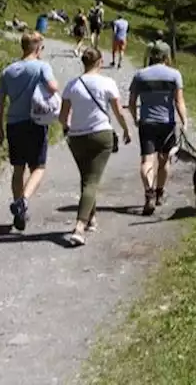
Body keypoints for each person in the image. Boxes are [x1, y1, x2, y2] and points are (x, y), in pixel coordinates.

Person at [57, 48, 132, 247]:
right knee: (92, 180)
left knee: (87, 177)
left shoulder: (72, 85)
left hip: (77, 137)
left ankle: (91, 218)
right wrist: (126, 130)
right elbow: (118, 112)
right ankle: (79, 227)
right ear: (100, 62)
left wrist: (67, 128)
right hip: (101, 135)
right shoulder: (107, 83)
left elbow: (63, 116)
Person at [0, 31, 59, 231]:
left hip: (14, 123)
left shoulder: (8, 71)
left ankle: (18, 208)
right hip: (35, 122)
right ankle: (23, 201)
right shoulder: (42, 67)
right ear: (38, 48)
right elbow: (53, 87)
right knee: (38, 166)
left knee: (18, 168)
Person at [128, 42, 188, 216]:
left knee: (146, 161)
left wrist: (136, 118)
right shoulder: (174, 75)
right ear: (166, 56)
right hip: (167, 123)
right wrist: (184, 121)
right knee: (164, 160)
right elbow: (179, 101)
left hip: (147, 122)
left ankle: (149, 192)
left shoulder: (140, 75)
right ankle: (160, 192)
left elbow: (132, 102)